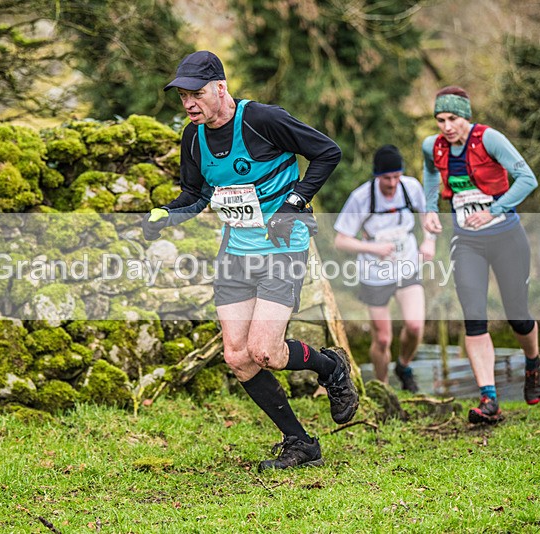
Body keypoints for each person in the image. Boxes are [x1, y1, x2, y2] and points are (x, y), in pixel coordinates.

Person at [142, 50, 358, 470]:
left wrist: (295, 201)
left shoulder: (262, 119)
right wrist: (167, 214)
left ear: (220, 88)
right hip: (236, 252)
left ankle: (331, 367)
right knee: (237, 357)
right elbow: (196, 195)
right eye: (183, 96)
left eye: (196, 94)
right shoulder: (193, 137)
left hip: (282, 245)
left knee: (266, 352)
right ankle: (300, 442)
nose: (189, 103)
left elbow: (327, 152)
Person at [422, 86, 540, 424]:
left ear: (467, 117)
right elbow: (431, 174)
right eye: (440, 119)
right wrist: (430, 208)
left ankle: (533, 362)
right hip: (467, 242)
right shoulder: (432, 147)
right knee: (473, 317)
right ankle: (489, 399)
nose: (446, 126)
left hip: (506, 236)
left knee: (517, 314)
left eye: (453, 118)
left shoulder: (489, 139)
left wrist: (495, 209)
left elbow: (527, 178)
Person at [333, 145, 435, 393]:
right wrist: (372, 248)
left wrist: (428, 241)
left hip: (407, 264)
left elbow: (428, 218)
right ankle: (384, 388)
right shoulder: (362, 197)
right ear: (377, 176)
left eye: (396, 176)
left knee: (414, 325)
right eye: (387, 178)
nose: (392, 183)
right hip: (375, 272)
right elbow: (340, 240)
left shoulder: (411, 188)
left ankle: (404, 365)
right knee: (382, 338)